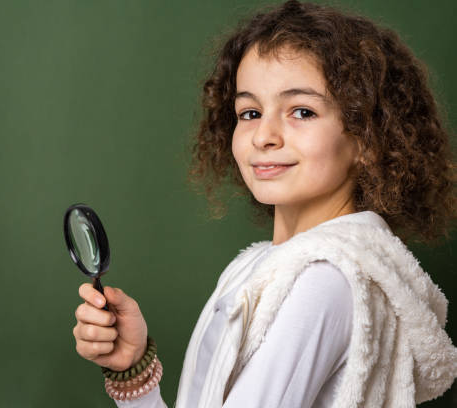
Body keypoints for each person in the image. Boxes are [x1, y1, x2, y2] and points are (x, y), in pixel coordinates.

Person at [72, 1, 457, 406]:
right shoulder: (255, 268)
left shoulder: (325, 280)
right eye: (250, 112)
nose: (263, 136)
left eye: (302, 111)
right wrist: (134, 371)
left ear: (366, 139)